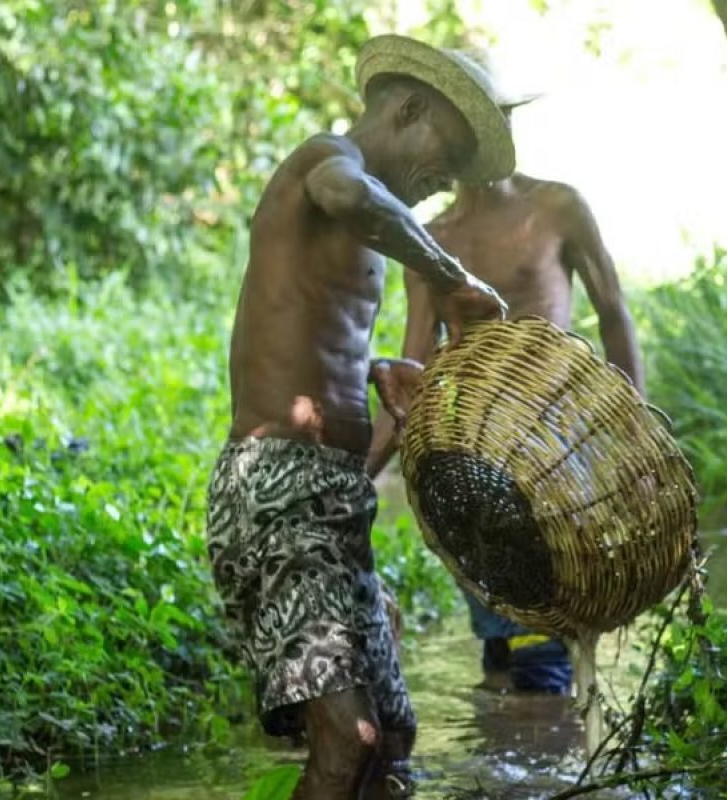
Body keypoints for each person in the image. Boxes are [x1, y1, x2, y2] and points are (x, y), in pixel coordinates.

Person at [204, 34, 516, 800]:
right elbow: (350, 195)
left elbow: (322, 366)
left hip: (336, 496)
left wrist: (390, 398)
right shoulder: (325, 162)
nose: (446, 180)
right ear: (409, 108)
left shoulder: (367, 244)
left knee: (393, 744)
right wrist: (450, 273)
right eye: (448, 154)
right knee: (351, 741)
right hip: (274, 490)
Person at [366, 65, 644, 697]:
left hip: (559, 447)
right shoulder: (432, 240)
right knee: (500, 647)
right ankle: (521, 756)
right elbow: (415, 370)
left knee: (542, 631)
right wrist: (361, 477)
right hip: (477, 460)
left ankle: (536, 744)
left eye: (500, 122)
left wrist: (633, 426)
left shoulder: (557, 207)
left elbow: (614, 315)